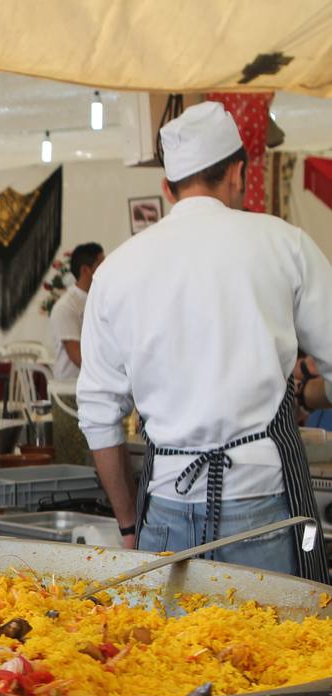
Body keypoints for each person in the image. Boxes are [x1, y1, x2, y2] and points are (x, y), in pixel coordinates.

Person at [77, 101, 332, 581]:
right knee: (279, 652)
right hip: (266, 502)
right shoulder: (285, 244)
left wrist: (130, 524)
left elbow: (97, 414)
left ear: (166, 188)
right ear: (237, 174)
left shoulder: (116, 271)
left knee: (174, 656)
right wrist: (315, 394)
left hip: (166, 511)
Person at [48, 242, 104, 381]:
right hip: (69, 390)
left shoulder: (101, 299)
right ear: (86, 270)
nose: (106, 270)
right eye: (101, 265)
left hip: (97, 382)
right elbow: (77, 356)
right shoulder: (66, 307)